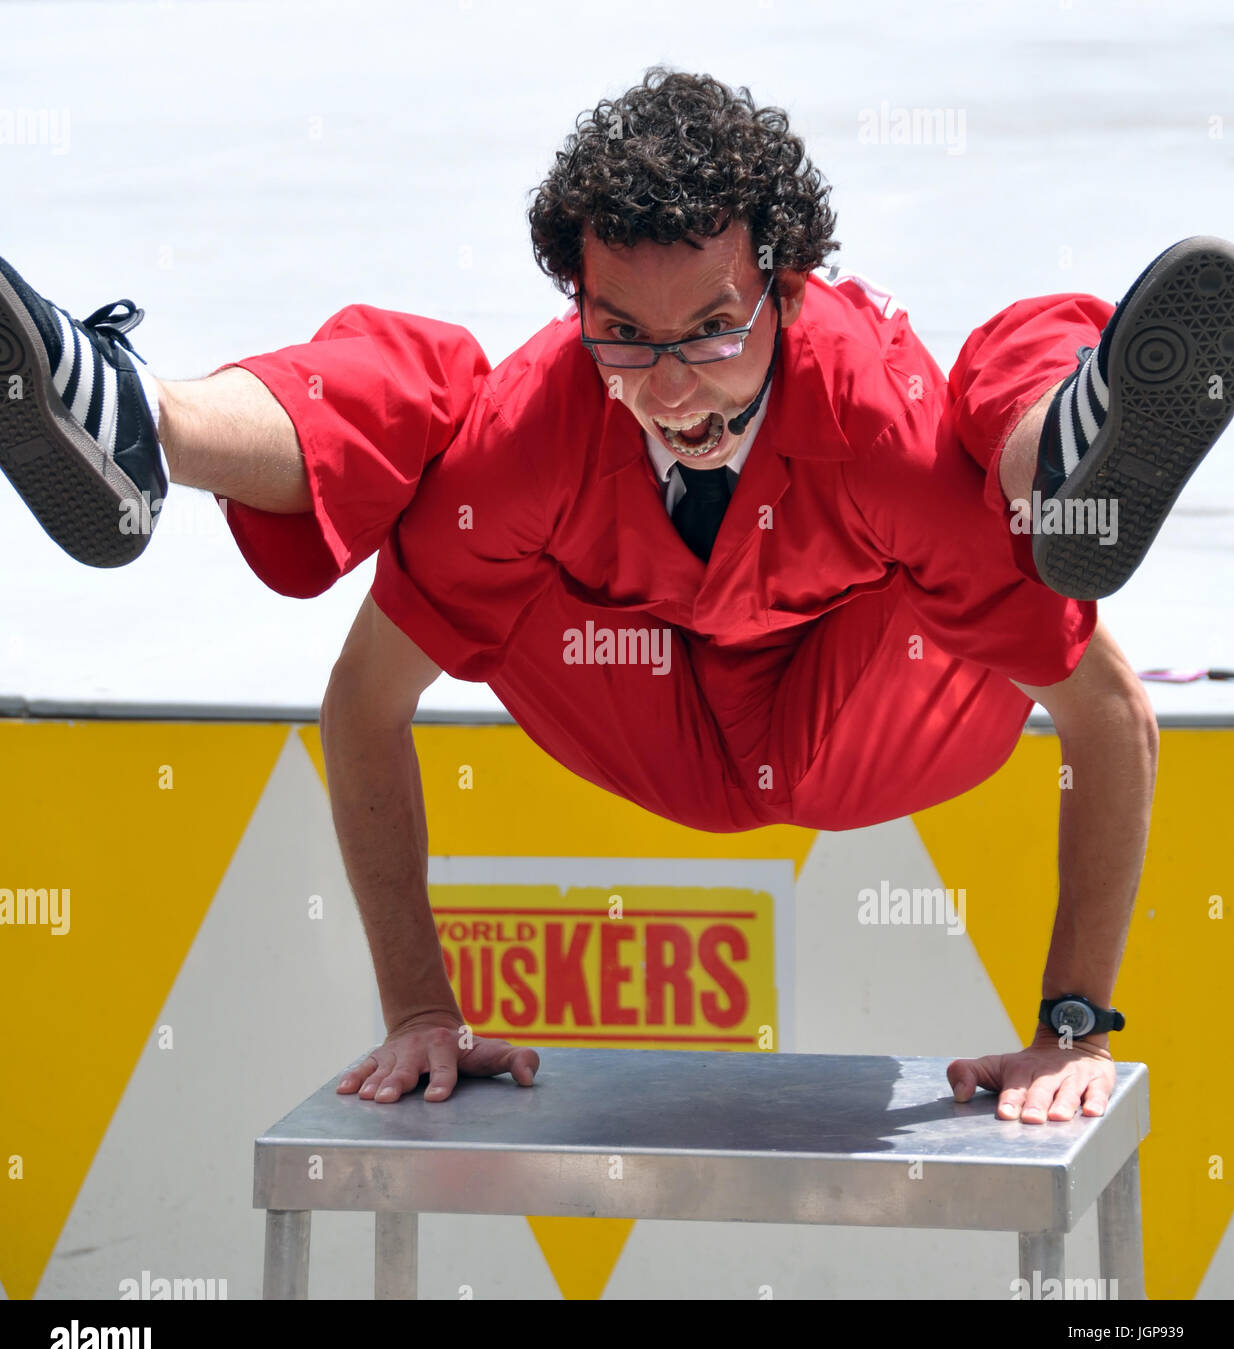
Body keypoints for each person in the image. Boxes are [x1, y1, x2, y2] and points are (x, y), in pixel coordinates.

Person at [3, 69, 1232, 1124]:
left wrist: (1072, 1026)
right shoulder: (536, 431)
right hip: (638, 699)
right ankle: (143, 417)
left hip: (862, 711)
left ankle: (1060, 457)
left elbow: (1107, 717)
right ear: (575, 307)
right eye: (622, 335)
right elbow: (362, 702)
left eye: (711, 328)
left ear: (788, 290)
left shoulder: (880, 431)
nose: (672, 385)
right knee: (435, 389)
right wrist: (421, 1010)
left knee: (986, 399)